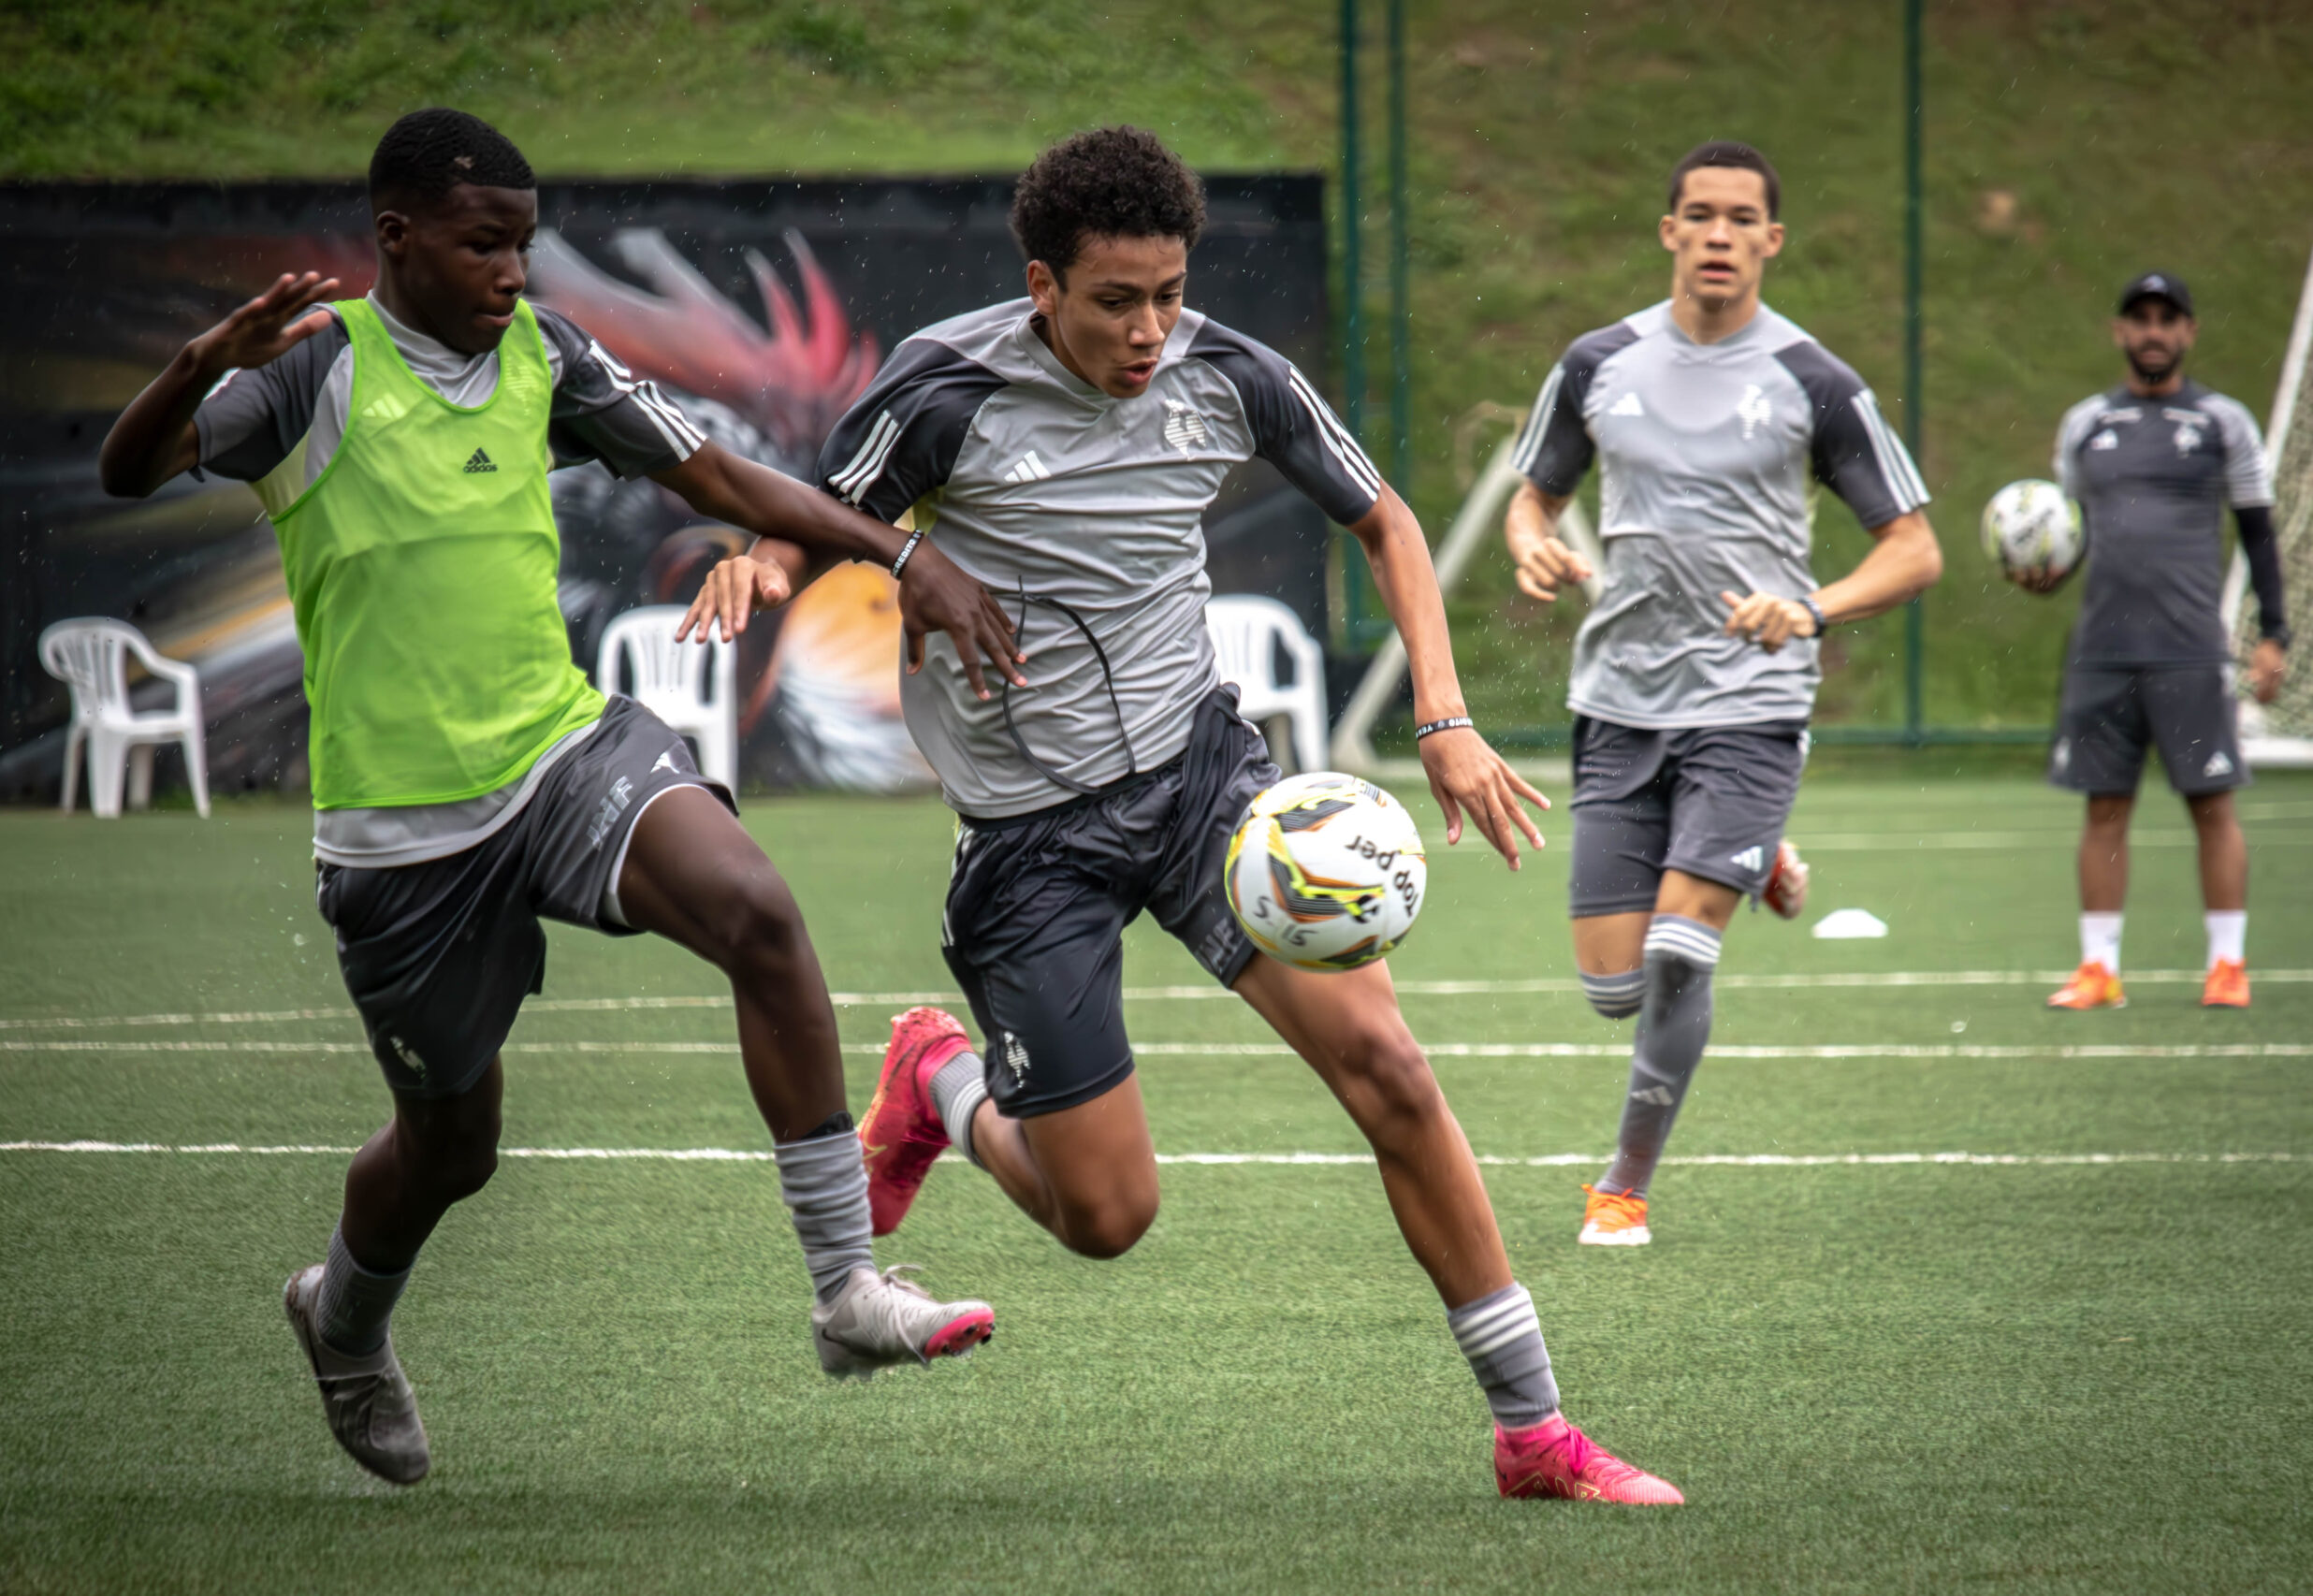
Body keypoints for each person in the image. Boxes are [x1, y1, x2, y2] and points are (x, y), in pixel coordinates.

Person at [685, 125, 1681, 1504]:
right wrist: (774, 565)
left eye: (1169, 292)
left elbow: (1386, 520)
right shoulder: (942, 389)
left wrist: (1443, 720)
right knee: (1106, 1216)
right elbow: (811, 513)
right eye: (1114, 301)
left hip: (1207, 781)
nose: (1151, 328)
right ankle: (939, 1079)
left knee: (1392, 1071)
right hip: (1029, 837)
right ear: (1044, 286)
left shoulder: (1231, 373)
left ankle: (1535, 1432)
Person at [97, 109, 1011, 1486]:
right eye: (484, 244)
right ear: (396, 238)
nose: (514, 271)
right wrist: (194, 369)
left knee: (757, 910)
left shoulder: (546, 356)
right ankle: (343, 1317)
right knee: (455, 1147)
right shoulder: (307, 376)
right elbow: (129, 469)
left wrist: (900, 553)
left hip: (560, 755)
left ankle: (844, 1292)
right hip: (399, 836)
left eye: (524, 243)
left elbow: (711, 473)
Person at [1501, 140, 1942, 1249]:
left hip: (1752, 696)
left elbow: (1914, 548)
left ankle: (1623, 1185)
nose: (1716, 233)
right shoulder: (1596, 360)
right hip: (1620, 694)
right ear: (1667, 232)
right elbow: (1530, 500)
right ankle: (1755, 852)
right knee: (1611, 987)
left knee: (1678, 952)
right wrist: (1532, 545)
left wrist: (1813, 607)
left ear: (1769, 241)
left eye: (1740, 218)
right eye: (1697, 214)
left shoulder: (1814, 381)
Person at [2029, 272, 2289, 1011]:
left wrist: (2273, 633)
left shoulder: (2221, 422)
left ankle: (2227, 965)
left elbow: (2259, 532)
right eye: (2139, 319)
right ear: (2119, 331)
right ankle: (2099, 969)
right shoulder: (2084, 425)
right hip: (2102, 650)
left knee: (2213, 804)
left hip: (2189, 648)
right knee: (2102, 807)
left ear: (2188, 332)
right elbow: (2066, 533)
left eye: (2166, 320)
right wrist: (2044, 571)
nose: (2153, 331)